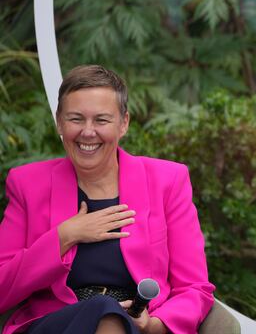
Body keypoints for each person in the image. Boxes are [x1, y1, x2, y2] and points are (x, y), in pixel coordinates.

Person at [0, 65, 215, 334]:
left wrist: (153, 325)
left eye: (101, 120)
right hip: (57, 324)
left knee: (110, 316)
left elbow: (194, 287)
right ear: (59, 122)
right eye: (76, 119)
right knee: (104, 312)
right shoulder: (28, 184)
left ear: (123, 123)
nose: (88, 132)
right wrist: (64, 236)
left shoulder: (167, 181)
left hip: (137, 326)